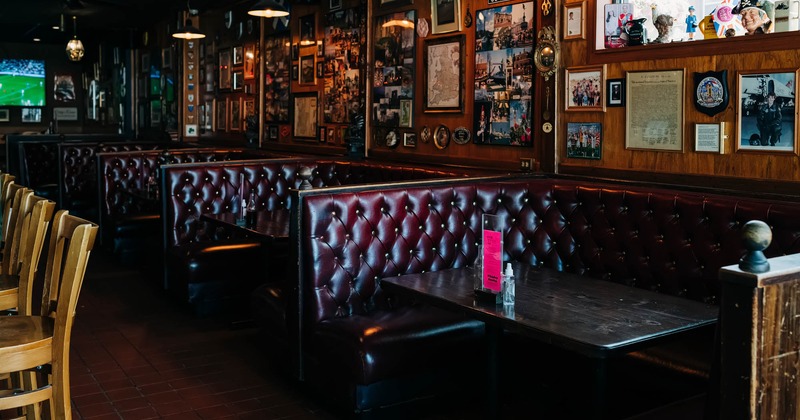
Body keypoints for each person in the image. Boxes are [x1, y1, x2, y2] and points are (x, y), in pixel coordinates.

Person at [757, 79, 782, 146]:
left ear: (774, 99)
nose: (770, 99)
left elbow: (779, 118)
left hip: (773, 125)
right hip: (765, 125)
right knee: (763, 143)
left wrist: (771, 124)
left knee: (776, 129)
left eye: (772, 98)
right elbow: (759, 117)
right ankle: (764, 138)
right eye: (769, 98)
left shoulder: (777, 107)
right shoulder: (764, 107)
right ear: (767, 98)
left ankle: (773, 140)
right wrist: (762, 124)